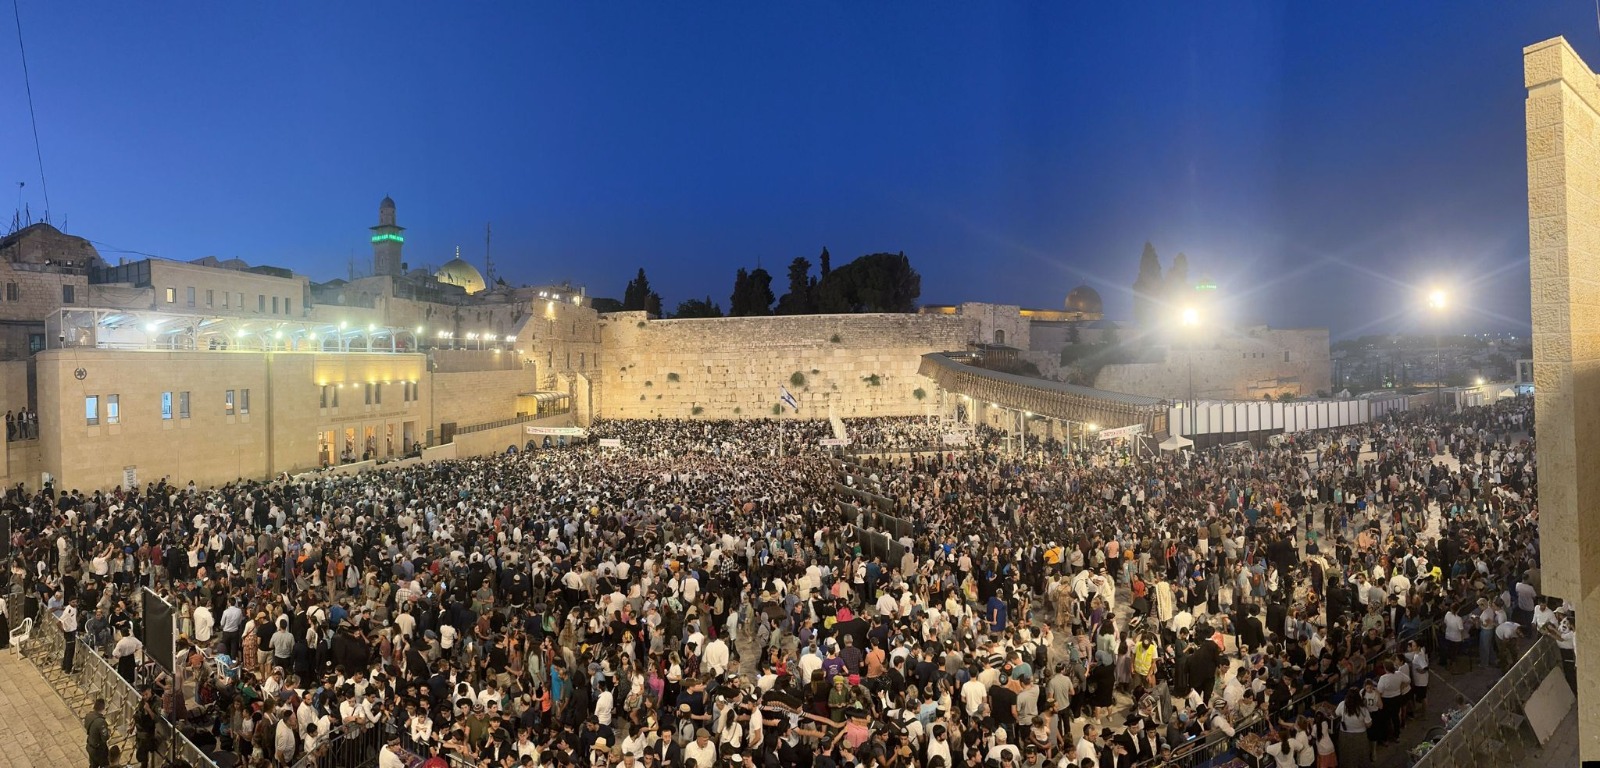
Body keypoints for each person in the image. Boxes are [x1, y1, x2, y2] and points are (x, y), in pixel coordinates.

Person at [86, 698, 111, 768]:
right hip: (99, 750)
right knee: (105, 765)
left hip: (90, 745)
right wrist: (108, 732)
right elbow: (105, 738)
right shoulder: (101, 722)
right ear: (103, 708)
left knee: (93, 765)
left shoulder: (88, 715)